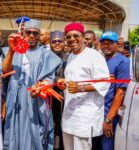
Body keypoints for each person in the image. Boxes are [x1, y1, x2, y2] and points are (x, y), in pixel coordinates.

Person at [2, 19, 61, 150]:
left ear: (39, 35)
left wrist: (41, 87)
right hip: (17, 100)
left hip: (37, 101)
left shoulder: (46, 54)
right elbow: (5, 72)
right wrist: (12, 51)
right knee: (15, 131)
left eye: (35, 33)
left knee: (35, 134)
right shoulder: (13, 51)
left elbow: (49, 78)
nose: (32, 36)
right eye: (28, 32)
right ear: (23, 33)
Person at [57, 22, 110, 150]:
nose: (72, 39)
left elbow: (104, 82)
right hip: (69, 115)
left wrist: (80, 88)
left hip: (85, 116)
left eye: (76, 35)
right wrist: (64, 83)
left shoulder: (94, 56)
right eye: (68, 37)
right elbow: (73, 80)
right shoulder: (69, 57)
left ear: (82, 36)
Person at [95, 31, 130, 150]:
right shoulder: (100, 60)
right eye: (103, 43)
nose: (106, 46)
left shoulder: (123, 62)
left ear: (116, 44)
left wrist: (109, 119)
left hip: (109, 115)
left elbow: (120, 93)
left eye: (109, 43)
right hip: (96, 113)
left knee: (107, 146)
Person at [50, 31, 67, 150]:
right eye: (54, 41)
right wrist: (57, 79)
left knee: (60, 125)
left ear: (63, 42)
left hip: (63, 98)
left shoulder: (69, 58)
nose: (57, 43)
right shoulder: (45, 57)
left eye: (59, 41)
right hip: (48, 97)